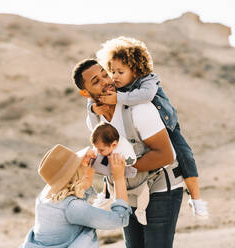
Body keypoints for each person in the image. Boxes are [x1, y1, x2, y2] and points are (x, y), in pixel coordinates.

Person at [86, 36, 208, 218]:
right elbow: (93, 98)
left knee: (184, 155)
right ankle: (105, 192)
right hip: (144, 131)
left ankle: (196, 199)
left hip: (167, 125)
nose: (114, 77)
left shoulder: (148, 81)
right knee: (113, 151)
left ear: (135, 70)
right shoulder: (118, 86)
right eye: (112, 71)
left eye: (120, 72)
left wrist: (118, 98)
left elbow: (145, 96)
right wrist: (92, 107)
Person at [73, 58, 184, 248]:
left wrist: (122, 170)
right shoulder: (95, 120)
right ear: (85, 93)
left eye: (104, 74)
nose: (106, 81)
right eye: (96, 81)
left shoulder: (139, 110)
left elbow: (166, 155)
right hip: (127, 191)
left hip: (161, 186)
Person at [19, 144, 132, 248]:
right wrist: (118, 178)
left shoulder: (45, 196)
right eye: (85, 163)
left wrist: (86, 166)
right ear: (77, 174)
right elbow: (120, 218)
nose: (90, 165)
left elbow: (76, 186)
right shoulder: (72, 208)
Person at [90, 122, 150, 225]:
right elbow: (98, 155)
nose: (98, 152)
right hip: (117, 183)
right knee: (112, 190)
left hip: (136, 180)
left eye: (101, 149)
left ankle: (141, 210)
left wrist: (121, 163)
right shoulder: (105, 147)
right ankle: (107, 200)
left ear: (113, 145)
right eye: (97, 149)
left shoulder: (124, 149)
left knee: (143, 192)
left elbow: (132, 161)